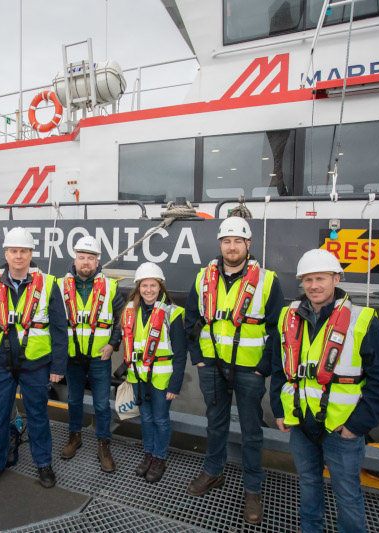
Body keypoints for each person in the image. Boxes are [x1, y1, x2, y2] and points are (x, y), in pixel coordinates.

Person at [270, 249, 379, 533]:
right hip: (301, 423)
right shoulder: (287, 317)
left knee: (347, 494)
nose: (314, 286)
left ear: (336, 278)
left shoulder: (362, 320)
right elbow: (279, 368)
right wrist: (279, 410)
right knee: (308, 484)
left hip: (342, 428)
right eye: (308, 280)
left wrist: (357, 425)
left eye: (321, 278)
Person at [184, 217, 284, 525]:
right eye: (226, 241)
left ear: (248, 245)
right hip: (212, 365)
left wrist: (263, 367)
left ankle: (253, 489)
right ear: (220, 245)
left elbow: (277, 328)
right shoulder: (203, 278)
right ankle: (214, 472)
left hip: (250, 369)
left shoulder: (268, 280)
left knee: (252, 431)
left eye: (237, 241)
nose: (232, 247)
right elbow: (191, 320)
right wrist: (199, 359)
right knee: (215, 424)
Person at [0, 227, 68, 490]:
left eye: (23, 251)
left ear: (31, 254)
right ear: (6, 254)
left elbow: (59, 328)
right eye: (14, 251)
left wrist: (58, 366)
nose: (18, 256)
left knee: (37, 416)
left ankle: (43, 464)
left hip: (36, 366)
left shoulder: (48, 283)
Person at [57, 236, 125, 472]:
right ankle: (74, 437)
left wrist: (113, 344)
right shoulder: (58, 286)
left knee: (101, 403)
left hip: (100, 357)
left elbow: (122, 318)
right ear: (75, 259)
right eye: (82, 257)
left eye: (91, 258)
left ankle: (103, 445)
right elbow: (52, 320)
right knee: (73, 399)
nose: (86, 262)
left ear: (98, 262)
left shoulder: (110, 287)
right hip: (71, 357)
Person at [120, 262, 186, 483]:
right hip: (137, 375)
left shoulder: (173, 313)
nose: (148, 290)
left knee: (160, 418)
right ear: (138, 287)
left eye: (153, 285)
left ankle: (159, 458)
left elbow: (180, 353)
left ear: (161, 287)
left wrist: (175, 385)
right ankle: (148, 454)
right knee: (146, 417)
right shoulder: (129, 311)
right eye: (144, 285)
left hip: (161, 377)